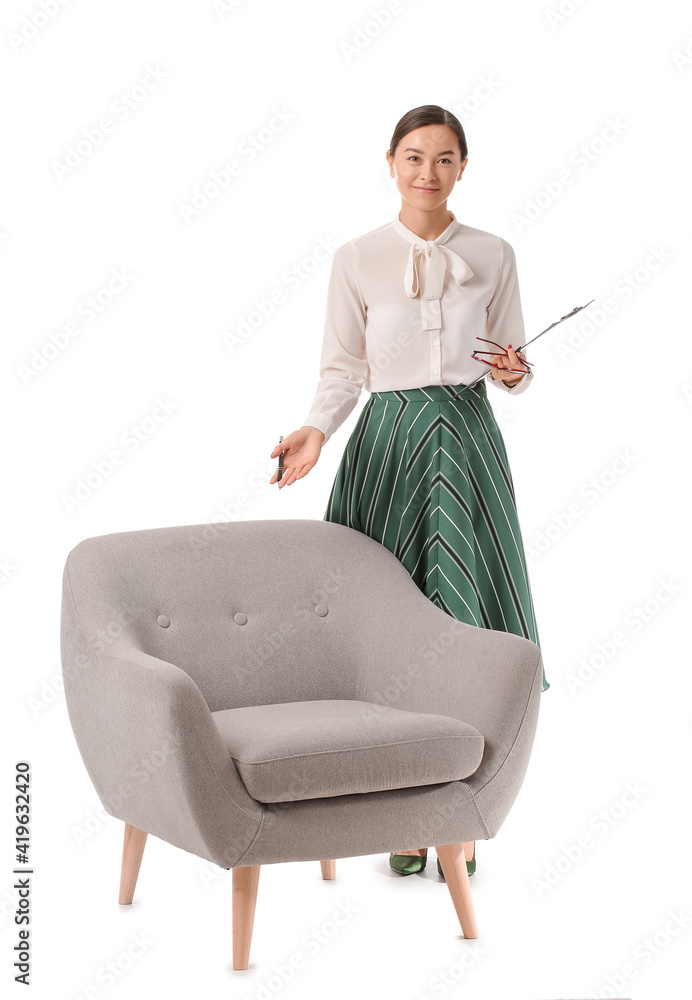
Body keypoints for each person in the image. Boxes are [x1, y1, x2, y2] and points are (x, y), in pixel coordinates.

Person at [269, 104, 549, 881]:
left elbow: (511, 358)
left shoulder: (495, 252)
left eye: (446, 159)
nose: (429, 172)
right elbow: (343, 370)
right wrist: (315, 431)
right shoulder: (356, 257)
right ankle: (397, 804)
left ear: (464, 168)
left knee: (464, 620)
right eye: (415, 157)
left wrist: (516, 374)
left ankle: (452, 811)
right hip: (389, 445)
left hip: (465, 443)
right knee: (389, 621)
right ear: (389, 162)